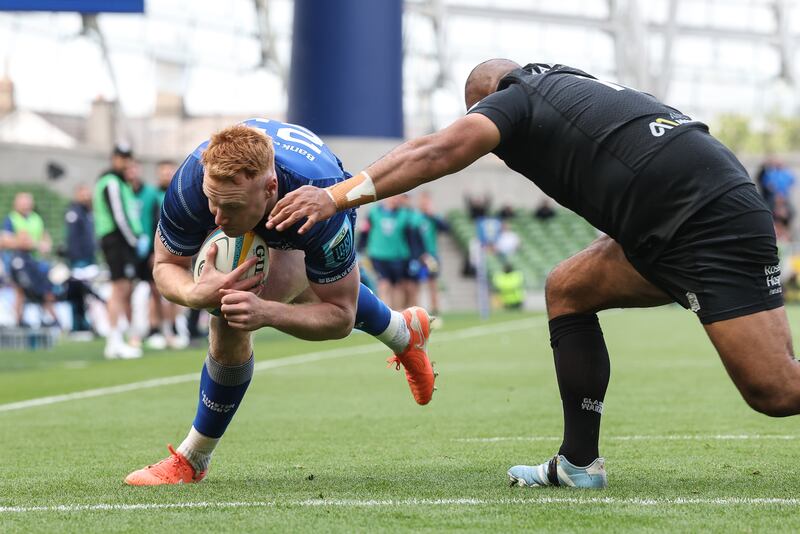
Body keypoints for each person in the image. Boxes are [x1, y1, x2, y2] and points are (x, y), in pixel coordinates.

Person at [269, 59, 799, 489]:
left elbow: (437, 149)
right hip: (678, 212)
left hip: (700, 219)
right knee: (568, 288)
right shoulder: (567, 82)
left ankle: (579, 463)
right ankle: (578, 464)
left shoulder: (514, 97)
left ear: (484, 101)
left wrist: (335, 195)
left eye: (476, 118)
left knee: (774, 391)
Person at [124, 119, 436, 486]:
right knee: (235, 292)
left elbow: (339, 316)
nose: (218, 220)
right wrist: (194, 293)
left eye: (231, 207)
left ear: (269, 187)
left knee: (237, 304)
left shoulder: (319, 202)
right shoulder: (192, 182)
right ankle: (403, 332)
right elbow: (165, 265)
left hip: (311, 202)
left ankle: (193, 458)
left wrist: (266, 313)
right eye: (212, 202)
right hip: (272, 201)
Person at [93, 144, 146, 359]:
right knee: (119, 288)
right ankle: (114, 341)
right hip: (116, 239)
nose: (125, 162)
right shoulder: (111, 182)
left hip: (120, 240)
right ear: (114, 159)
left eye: (128, 158)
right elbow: (119, 216)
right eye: (122, 158)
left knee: (123, 289)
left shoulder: (122, 183)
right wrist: (134, 240)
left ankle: (117, 339)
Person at [1, 192, 59, 327]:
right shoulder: (11, 219)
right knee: (20, 290)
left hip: (36, 261)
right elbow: (5, 241)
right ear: (16, 204)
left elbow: (44, 237)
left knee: (46, 289)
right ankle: (18, 320)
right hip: (17, 261)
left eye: (28, 202)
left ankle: (53, 319)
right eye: (23, 202)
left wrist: (44, 245)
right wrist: (29, 244)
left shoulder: (36, 218)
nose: (26, 205)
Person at [63, 184, 96, 335]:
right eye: (83, 193)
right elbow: (73, 239)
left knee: (88, 295)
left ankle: (87, 325)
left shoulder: (88, 212)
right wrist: (75, 260)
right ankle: (77, 327)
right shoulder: (74, 212)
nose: (86, 196)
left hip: (89, 260)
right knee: (77, 293)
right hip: (79, 261)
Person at [416, 192, 449, 316]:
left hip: (432, 255)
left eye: (427, 203)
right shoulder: (416, 217)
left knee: (433, 283)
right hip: (419, 256)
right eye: (423, 203)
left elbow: (446, 228)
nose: (425, 205)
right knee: (417, 283)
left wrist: (434, 215)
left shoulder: (433, 218)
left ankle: (435, 310)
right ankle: (417, 312)